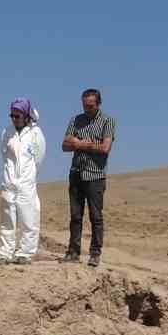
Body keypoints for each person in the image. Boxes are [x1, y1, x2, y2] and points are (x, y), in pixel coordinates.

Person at [61, 89, 116, 267]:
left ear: (98, 104)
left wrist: (81, 144)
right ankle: (73, 252)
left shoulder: (107, 121)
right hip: (76, 172)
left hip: (95, 175)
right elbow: (65, 145)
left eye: (90, 106)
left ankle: (94, 253)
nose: (87, 108)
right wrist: (80, 144)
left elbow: (105, 148)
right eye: (84, 105)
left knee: (95, 216)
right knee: (75, 216)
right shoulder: (76, 120)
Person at [0, 99, 47, 265]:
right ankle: (5, 253)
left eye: (17, 115)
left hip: (26, 183)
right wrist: (10, 176)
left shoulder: (35, 133)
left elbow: (38, 159)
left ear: (26, 116)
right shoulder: (7, 132)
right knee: (7, 220)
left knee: (29, 217)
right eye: (12, 115)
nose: (14, 118)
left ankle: (25, 253)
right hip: (9, 182)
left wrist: (28, 176)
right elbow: (5, 155)